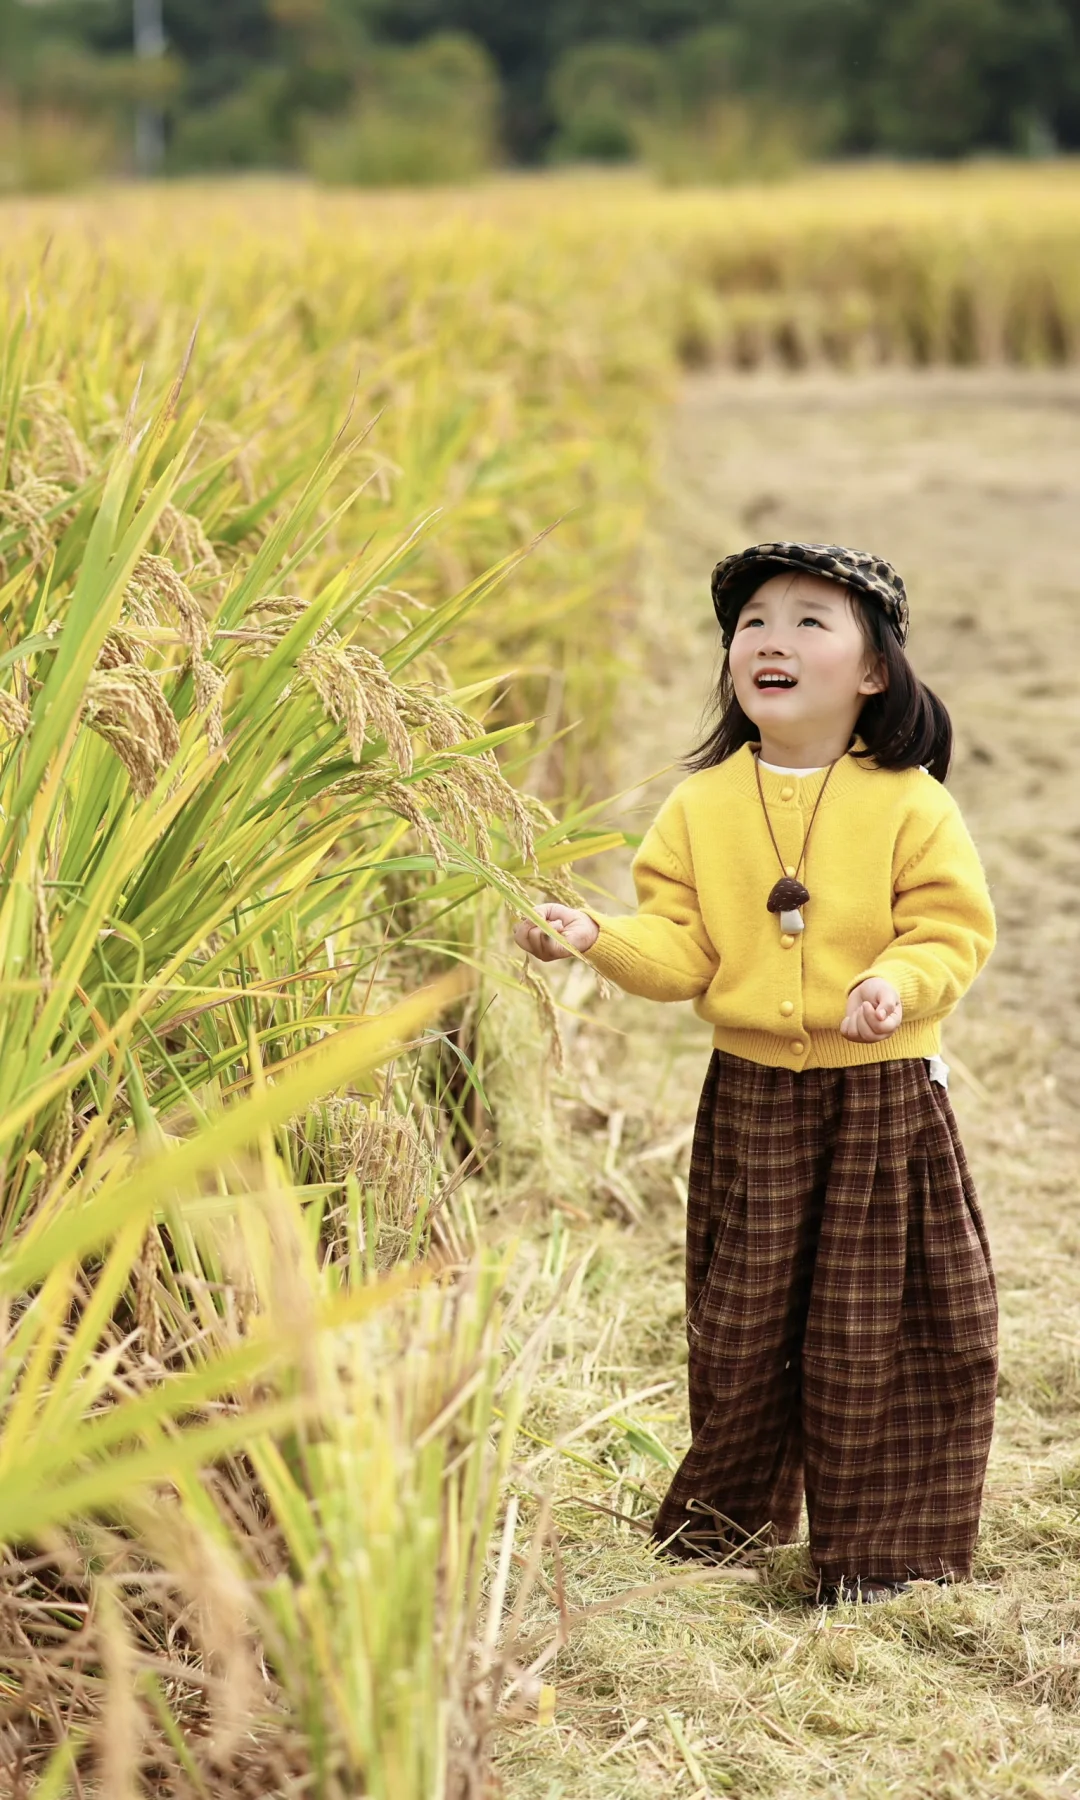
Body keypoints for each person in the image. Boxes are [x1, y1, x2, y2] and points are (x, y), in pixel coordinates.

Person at [514, 541, 998, 1607]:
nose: (771, 638)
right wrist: (593, 935)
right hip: (752, 1104)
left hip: (883, 1099)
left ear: (874, 671)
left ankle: (886, 1556)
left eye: (809, 620)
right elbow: (682, 950)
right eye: (753, 623)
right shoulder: (702, 808)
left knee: (882, 1326)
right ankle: (727, 1524)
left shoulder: (910, 801)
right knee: (741, 1324)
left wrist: (895, 985)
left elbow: (952, 929)